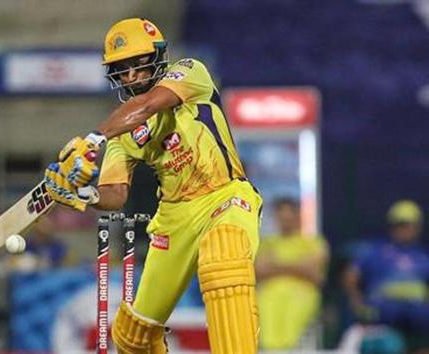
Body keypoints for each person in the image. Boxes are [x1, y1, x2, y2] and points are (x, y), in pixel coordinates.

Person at [43, 18, 263, 353]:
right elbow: (115, 195)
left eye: (137, 64)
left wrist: (92, 140)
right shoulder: (121, 132)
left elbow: (146, 106)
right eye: (122, 69)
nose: (131, 76)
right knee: (133, 336)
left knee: (225, 253)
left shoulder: (190, 72)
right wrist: (82, 193)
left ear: (157, 57)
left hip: (225, 195)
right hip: (174, 218)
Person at [342, 200, 428, 351]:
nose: (405, 229)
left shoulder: (423, 256)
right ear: (392, 226)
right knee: (388, 345)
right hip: (383, 316)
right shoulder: (375, 251)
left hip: (418, 317)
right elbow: (351, 275)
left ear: (417, 227)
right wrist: (357, 302)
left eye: (409, 224)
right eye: (400, 224)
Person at [255, 197, 329, 350]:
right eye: (281, 216)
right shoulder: (266, 242)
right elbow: (258, 270)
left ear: (297, 216)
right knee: (265, 309)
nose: (285, 220)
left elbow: (313, 271)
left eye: (289, 215)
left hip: (302, 291)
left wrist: (276, 265)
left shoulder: (313, 242)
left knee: (292, 317)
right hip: (269, 292)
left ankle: (287, 349)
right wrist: (296, 265)